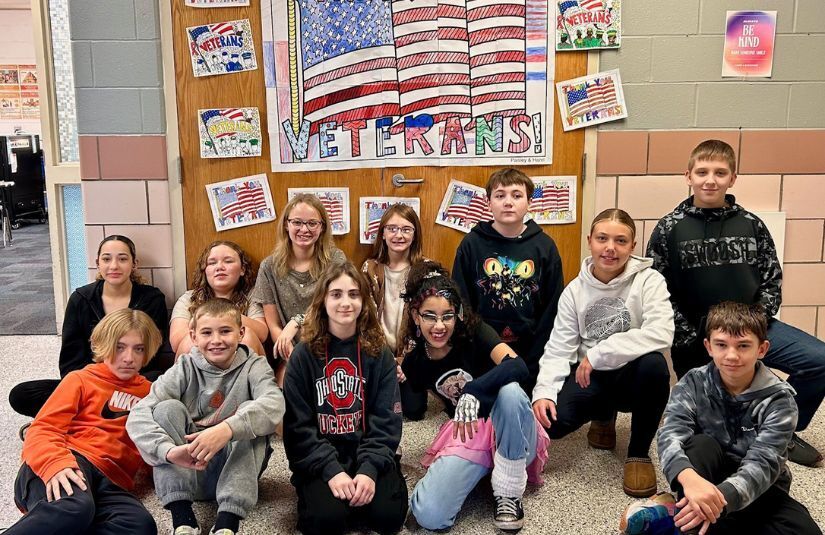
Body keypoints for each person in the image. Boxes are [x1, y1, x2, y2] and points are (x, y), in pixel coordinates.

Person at [647, 139, 825, 467]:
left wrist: (754, 327)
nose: (710, 179)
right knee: (710, 433)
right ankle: (746, 427)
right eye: (702, 172)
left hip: (753, 327)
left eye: (719, 172)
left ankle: (783, 429)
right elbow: (655, 289)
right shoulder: (669, 228)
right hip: (697, 336)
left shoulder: (753, 225)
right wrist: (688, 334)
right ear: (688, 176)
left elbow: (772, 278)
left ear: (733, 178)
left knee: (819, 360)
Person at [629, 301, 821, 535]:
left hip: (759, 488)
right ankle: (688, 511)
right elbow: (670, 434)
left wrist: (719, 502)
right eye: (722, 345)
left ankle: (676, 512)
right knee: (699, 445)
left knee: (805, 531)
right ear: (709, 347)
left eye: (743, 346)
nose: (731, 355)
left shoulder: (780, 400)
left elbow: (763, 464)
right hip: (702, 478)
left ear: (762, 349)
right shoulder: (692, 383)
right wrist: (688, 479)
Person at [532, 209, 674, 498]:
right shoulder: (574, 291)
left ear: (632, 247)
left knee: (655, 366)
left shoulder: (649, 281)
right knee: (554, 423)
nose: (610, 248)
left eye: (621, 241)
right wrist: (544, 391)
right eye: (602, 238)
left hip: (633, 375)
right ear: (590, 242)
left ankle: (638, 453)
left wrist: (600, 353)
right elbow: (560, 346)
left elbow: (662, 332)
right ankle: (603, 417)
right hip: (592, 377)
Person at [401, 261, 550, 532]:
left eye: (447, 315)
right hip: (470, 433)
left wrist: (474, 391)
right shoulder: (415, 361)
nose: (439, 325)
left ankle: (508, 492)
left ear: (457, 313)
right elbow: (409, 406)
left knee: (511, 391)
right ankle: (478, 473)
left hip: (509, 425)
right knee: (429, 515)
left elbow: (517, 366)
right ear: (415, 316)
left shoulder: (475, 332)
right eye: (429, 315)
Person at [126, 298, 284, 535]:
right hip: (187, 465)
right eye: (207, 332)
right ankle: (183, 518)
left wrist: (227, 429)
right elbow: (138, 414)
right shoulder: (184, 367)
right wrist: (167, 451)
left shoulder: (255, 365)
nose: (216, 340)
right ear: (193, 336)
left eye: (225, 331)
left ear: (241, 333)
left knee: (252, 414)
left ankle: (227, 522)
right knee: (166, 409)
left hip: (237, 469)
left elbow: (275, 404)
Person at [6, 309, 162, 534]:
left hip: (110, 480)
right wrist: (55, 464)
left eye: (138, 349)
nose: (129, 358)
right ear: (104, 345)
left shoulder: (151, 393)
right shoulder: (80, 379)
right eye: (120, 347)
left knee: (139, 525)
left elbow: (153, 446)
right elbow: (42, 429)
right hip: (68, 460)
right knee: (75, 508)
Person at [283, 262, 408, 535]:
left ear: (364, 301)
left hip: (365, 447)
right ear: (322, 301)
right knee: (326, 521)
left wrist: (370, 470)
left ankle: (368, 484)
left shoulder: (379, 353)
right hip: (322, 454)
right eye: (336, 294)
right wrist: (331, 470)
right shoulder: (303, 357)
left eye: (354, 294)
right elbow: (297, 428)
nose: (345, 302)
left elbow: (387, 419)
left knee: (389, 518)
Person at [8, 234, 171, 420]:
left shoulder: (151, 299)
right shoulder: (81, 299)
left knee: (160, 382)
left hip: (133, 382)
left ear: (134, 264)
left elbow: (151, 355)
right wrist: (96, 384)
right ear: (97, 263)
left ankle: (78, 419)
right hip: (90, 384)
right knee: (21, 394)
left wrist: (121, 381)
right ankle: (108, 414)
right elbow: (70, 362)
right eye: (106, 259)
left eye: (123, 259)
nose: (114, 266)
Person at [452, 167, 564, 394]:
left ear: (529, 202)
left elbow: (552, 306)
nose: (508, 202)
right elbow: (461, 300)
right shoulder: (471, 244)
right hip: (483, 345)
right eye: (500, 195)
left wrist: (537, 353)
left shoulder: (544, 246)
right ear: (488, 202)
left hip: (531, 347)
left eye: (516, 195)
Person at [251, 193, 346, 382]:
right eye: (297, 222)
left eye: (312, 223)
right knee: (286, 386)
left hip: (330, 345)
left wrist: (296, 322)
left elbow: (335, 309)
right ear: (286, 225)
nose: (304, 229)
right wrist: (292, 355)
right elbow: (273, 324)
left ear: (322, 227)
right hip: (290, 349)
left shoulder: (336, 260)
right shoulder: (269, 267)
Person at [361, 203, 427, 420]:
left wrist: (403, 361)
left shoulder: (425, 270)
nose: (399, 235)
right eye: (392, 228)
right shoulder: (370, 269)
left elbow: (425, 323)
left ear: (415, 234)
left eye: (406, 229)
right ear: (383, 233)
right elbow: (366, 319)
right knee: (372, 408)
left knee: (413, 410)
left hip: (411, 354)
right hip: (378, 352)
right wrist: (387, 359)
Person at [170, 240, 267, 357]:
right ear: (204, 270)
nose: (219, 267)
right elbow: (177, 342)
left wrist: (222, 316)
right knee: (189, 340)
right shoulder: (189, 298)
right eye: (212, 263)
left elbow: (262, 333)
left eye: (228, 261)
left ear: (242, 269)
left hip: (239, 363)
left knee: (248, 336)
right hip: (200, 365)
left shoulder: (251, 296)